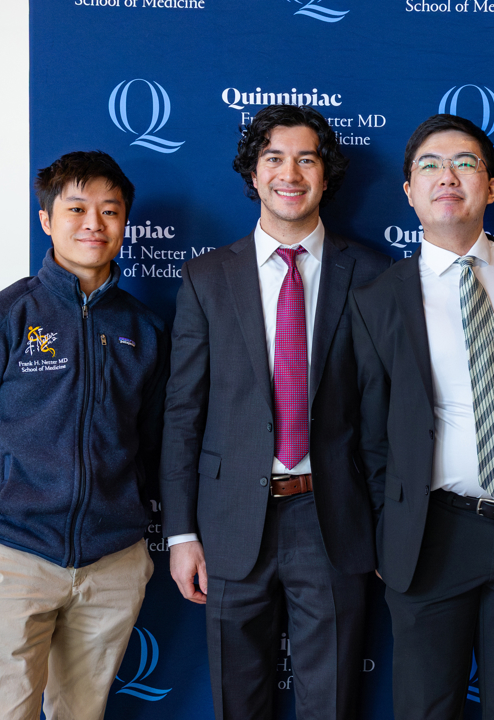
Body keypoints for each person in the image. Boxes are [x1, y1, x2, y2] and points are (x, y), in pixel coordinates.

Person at [159, 104, 390, 720]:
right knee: (240, 701)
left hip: (334, 519)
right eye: (274, 158)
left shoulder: (370, 272)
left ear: (325, 174)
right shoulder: (206, 277)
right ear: (254, 175)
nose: (290, 172)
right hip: (231, 523)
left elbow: (383, 413)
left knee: (333, 700)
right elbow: (183, 413)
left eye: (306, 158)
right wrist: (181, 533)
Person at [353, 114, 494, 720]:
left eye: (465, 164)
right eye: (429, 166)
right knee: (428, 706)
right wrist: (386, 530)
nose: (446, 177)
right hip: (431, 535)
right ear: (409, 191)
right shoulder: (378, 299)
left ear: (492, 187)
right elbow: (367, 434)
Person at [0, 150, 167, 720]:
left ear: (124, 223)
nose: (94, 223)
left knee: (81, 712)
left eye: (110, 211)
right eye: (77, 208)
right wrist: (8, 497)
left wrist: (124, 508)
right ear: (47, 219)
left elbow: (154, 437)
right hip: (14, 554)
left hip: (112, 558)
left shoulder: (145, 329)